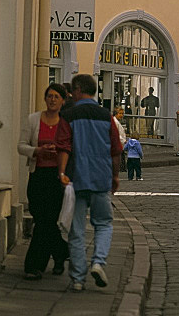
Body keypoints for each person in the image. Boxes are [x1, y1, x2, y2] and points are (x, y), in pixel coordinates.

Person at [56, 74, 122, 292]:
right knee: (103, 224)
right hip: (101, 177)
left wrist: (62, 172)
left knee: (76, 230)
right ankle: (98, 262)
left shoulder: (68, 115)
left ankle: (77, 278)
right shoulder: (106, 116)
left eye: (72, 91)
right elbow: (115, 150)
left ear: (77, 89)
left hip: (76, 178)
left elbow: (64, 146)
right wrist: (115, 176)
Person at [18, 82, 70, 280]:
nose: (53, 100)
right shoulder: (33, 120)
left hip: (56, 178)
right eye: (50, 96)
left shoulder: (65, 124)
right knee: (41, 219)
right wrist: (37, 151)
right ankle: (61, 252)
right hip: (37, 175)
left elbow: (70, 148)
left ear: (63, 101)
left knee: (46, 222)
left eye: (57, 96)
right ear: (45, 98)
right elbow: (20, 146)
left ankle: (33, 266)